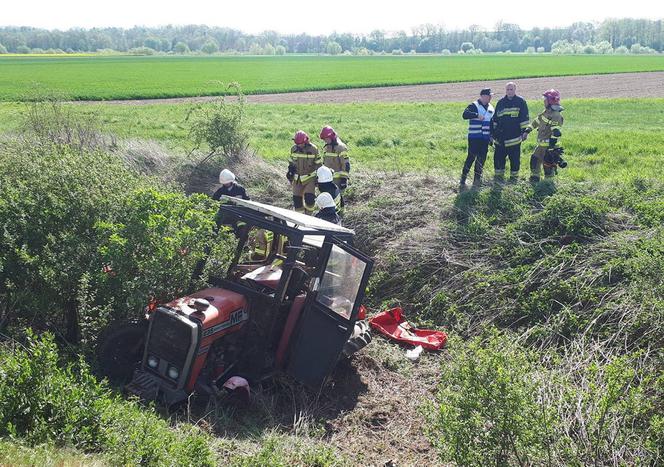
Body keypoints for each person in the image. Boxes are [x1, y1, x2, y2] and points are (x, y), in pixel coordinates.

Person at [523, 89, 565, 183]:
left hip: (550, 147)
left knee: (548, 166)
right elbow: (536, 121)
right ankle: (535, 179)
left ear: (550, 101)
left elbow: (556, 132)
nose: (544, 101)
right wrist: (527, 131)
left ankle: (548, 184)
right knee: (534, 160)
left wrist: (552, 147)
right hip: (541, 146)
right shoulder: (545, 112)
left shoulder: (556, 115)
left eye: (545, 99)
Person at [492, 82, 529, 183]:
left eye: (511, 89)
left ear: (515, 90)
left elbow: (524, 118)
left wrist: (525, 132)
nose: (509, 91)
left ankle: (513, 179)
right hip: (500, 139)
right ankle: (498, 179)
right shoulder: (500, 103)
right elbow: (495, 119)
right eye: (507, 89)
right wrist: (493, 134)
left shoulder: (521, 102)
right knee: (498, 159)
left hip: (514, 139)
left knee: (515, 160)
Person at [461, 88, 495, 189]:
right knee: (471, 158)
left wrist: (491, 136)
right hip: (474, 138)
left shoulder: (491, 108)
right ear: (483, 96)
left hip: (485, 139)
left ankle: (477, 179)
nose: (491, 97)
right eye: (489, 95)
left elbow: (492, 124)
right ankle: (463, 179)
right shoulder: (474, 105)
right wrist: (476, 115)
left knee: (481, 159)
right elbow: (464, 115)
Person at [287, 130, 321, 215]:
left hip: (310, 178)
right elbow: (291, 162)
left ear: (306, 141)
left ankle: (309, 216)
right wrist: (290, 171)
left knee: (309, 199)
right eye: (297, 144)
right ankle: (300, 218)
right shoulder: (293, 149)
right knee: (297, 201)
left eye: (300, 144)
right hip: (297, 179)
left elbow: (319, 165)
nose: (299, 145)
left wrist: (319, 178)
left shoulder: (313, 149)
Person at [319, 126, 351, 193]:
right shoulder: (327, 147)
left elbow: (346, 164)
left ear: (331, 137)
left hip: (337, 182)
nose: (325, 141)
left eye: (326, 139)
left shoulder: (341, 148)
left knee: (337, 201)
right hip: (327, 181)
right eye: (324, 139)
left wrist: (343, 180)